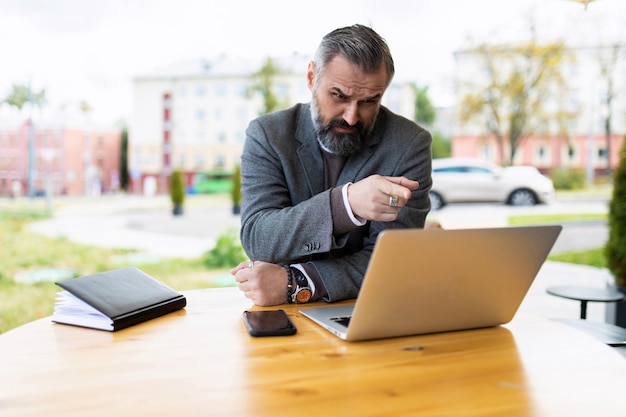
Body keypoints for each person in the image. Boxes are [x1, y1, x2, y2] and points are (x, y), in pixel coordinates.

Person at [230, 24, 432, 306]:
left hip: (372, 310)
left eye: (369, 101)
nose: (351, 117)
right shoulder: (269, 134)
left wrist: (296, 283)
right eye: (339, 96)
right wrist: (347, 204)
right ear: (312, 77)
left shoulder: (409, 144)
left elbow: (394, 264)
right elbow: (258, 238)